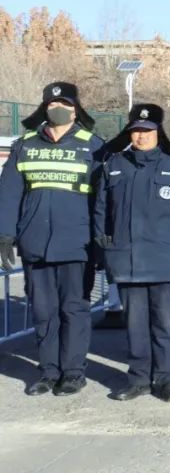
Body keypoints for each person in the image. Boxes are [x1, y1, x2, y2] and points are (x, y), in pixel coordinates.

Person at [0, 82, 104, 396]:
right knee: (43, 312)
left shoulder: (93, 146)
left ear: (76, 109)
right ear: (44, 108)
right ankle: (48, 372)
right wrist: (5, 234)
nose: (59, 109)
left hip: (77, 244)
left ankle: (73, 373)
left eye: (66, 104)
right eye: (53, 103)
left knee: (74, 310)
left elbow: (103, 198)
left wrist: (102, 241)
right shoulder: (25, 145)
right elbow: (9, 193)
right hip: (36, 242)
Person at [95, 104, 170, 403]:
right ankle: (139, 379)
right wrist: (104, 248)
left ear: (158, 133)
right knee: (135, 325)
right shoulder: (114, 166)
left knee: (166, 324)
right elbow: (101, 211)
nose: (141, 136)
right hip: (127, 261)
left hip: (166, 261)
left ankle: (168, 379)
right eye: (136, 131)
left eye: (147, 131)